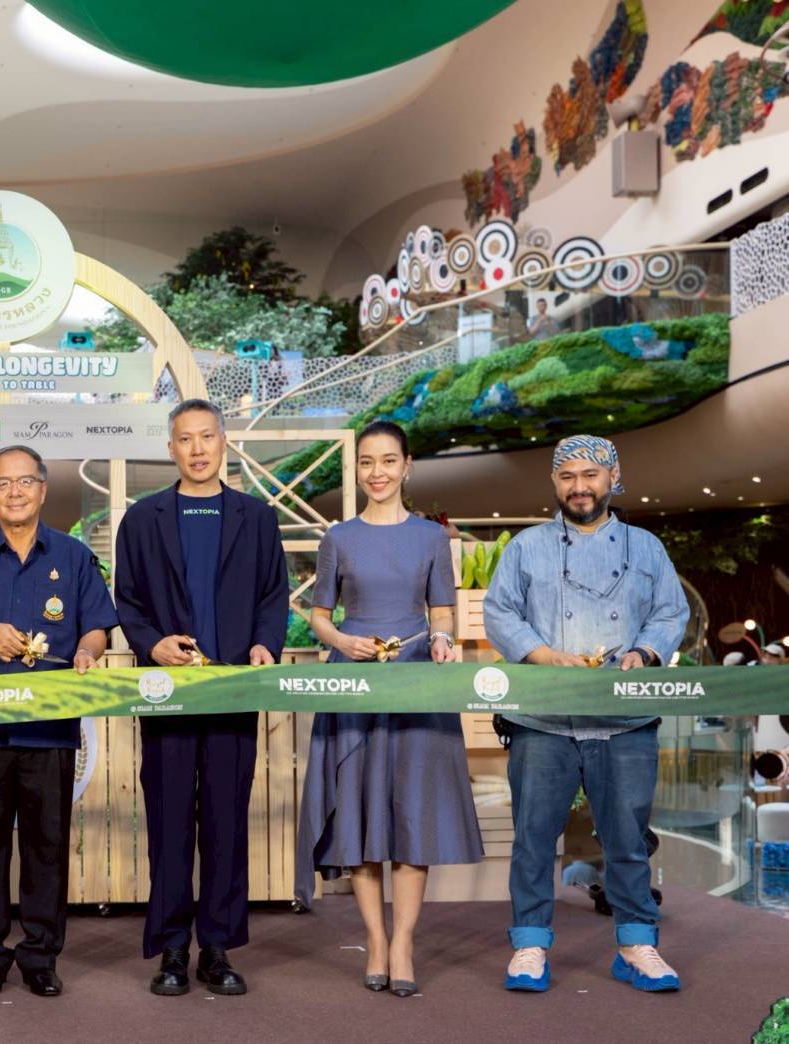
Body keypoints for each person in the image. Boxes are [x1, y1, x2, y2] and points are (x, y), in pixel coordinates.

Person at [484, 434, 688, 994]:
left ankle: (636, 944)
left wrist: (645, 652)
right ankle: (529, 945)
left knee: (627, 840)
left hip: (625, 720)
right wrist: (544, 654)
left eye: (590, 475)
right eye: (568, 476)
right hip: (543, 719)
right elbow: (499, 612)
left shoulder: (646, 547)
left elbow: (670, 612)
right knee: (533, 839)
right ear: (555, 482)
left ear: (613, 477)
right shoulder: (526, 547)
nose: (579, 487)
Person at [293, 420, 483, 998]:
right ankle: (375, 940)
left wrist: (443, 640)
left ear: (407, 466)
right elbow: (319, 614)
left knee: (412, 813)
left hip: (416, 681)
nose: (377, 472)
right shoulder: (339, 538)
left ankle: (403, 943)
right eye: (367, 462)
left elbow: (441, 611)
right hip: (353, 681)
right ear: (358, 470)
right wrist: (342, 640)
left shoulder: (431, 538)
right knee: (358, 810)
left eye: (388, 461)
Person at [0, 445, 118, 998]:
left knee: (47, 847)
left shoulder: (74, 557)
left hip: (50, 728)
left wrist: (88, 651)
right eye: (3, 483)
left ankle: (40, 956)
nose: (15, 492)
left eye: (25, 481)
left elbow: (97, 627)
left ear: (43, 489)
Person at [114, 398, 288, 997]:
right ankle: (170, 950)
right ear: (171, 449)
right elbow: (129, 601)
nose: (197, 449)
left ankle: (216, 949)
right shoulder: (142, 520)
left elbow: (273, 596)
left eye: (206, 437)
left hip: (233, 691)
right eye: (185, 439)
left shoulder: (257, 518)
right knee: (168, 824)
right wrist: (152, 643)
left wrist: (265, 643)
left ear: (223, 442)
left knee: (225, 822)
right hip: (167, 695)